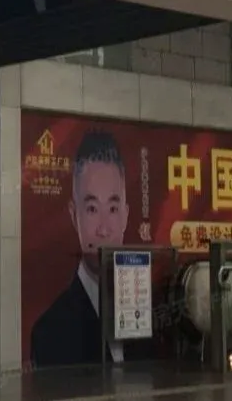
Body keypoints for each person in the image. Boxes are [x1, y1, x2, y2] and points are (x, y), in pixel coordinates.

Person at [30, 131, 155, 368]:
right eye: (92, 209)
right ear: (74, 214)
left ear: (126, 215)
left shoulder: (152, 316)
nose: (104, 230)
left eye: (113, 209)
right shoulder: (48, 332)